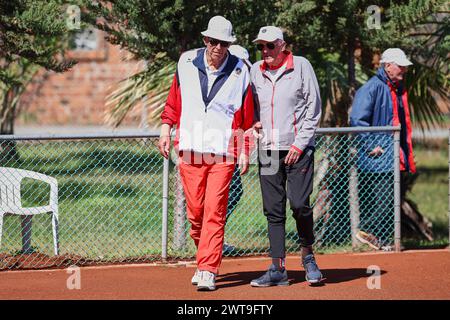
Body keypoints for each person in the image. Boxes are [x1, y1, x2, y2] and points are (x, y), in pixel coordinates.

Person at [158, 16, 254, 291]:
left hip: (222, 153)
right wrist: (165, 130)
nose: (218, 47)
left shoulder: (240, 71)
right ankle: (205, 257)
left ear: (230, 44)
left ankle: (208, 268)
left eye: (224, 43)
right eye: (214, 41)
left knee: (214, 210)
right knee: (196, 214)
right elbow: (173, 102)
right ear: (205, 40)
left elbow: (245, 119)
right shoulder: (186, 62)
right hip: (189, 150)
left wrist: (244, 151)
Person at [250, 26, 323, 286]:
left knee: (300, 204)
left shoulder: (301, 66)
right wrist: (254, 123)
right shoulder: (255, 71)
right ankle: (278, 268)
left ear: (282, 45)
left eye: (270, 45)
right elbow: (252, 107)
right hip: (268, 150)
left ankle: (308, 256)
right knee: (273, 210)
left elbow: (313, 110)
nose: (265, 51)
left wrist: (299, 145)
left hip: (297, 149)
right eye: (261, 46)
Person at [350, 48, 416, 250]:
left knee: (391, 199)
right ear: (388, 66)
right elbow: (357, 119)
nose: (404, 69)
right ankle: (366, 231)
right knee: (385, 200)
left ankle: (383, 240)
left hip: (393, 154)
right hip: (378, 157)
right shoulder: (373, 88)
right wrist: (371, 146)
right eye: (400, 65)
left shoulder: (395, 88)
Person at [222, 44, 252, 255]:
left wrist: (244, 150)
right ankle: (211, 239)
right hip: (218, 151)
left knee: (233, 193)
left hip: (231, 150)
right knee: (225, 195)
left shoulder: (242, 87)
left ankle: (215, 238)